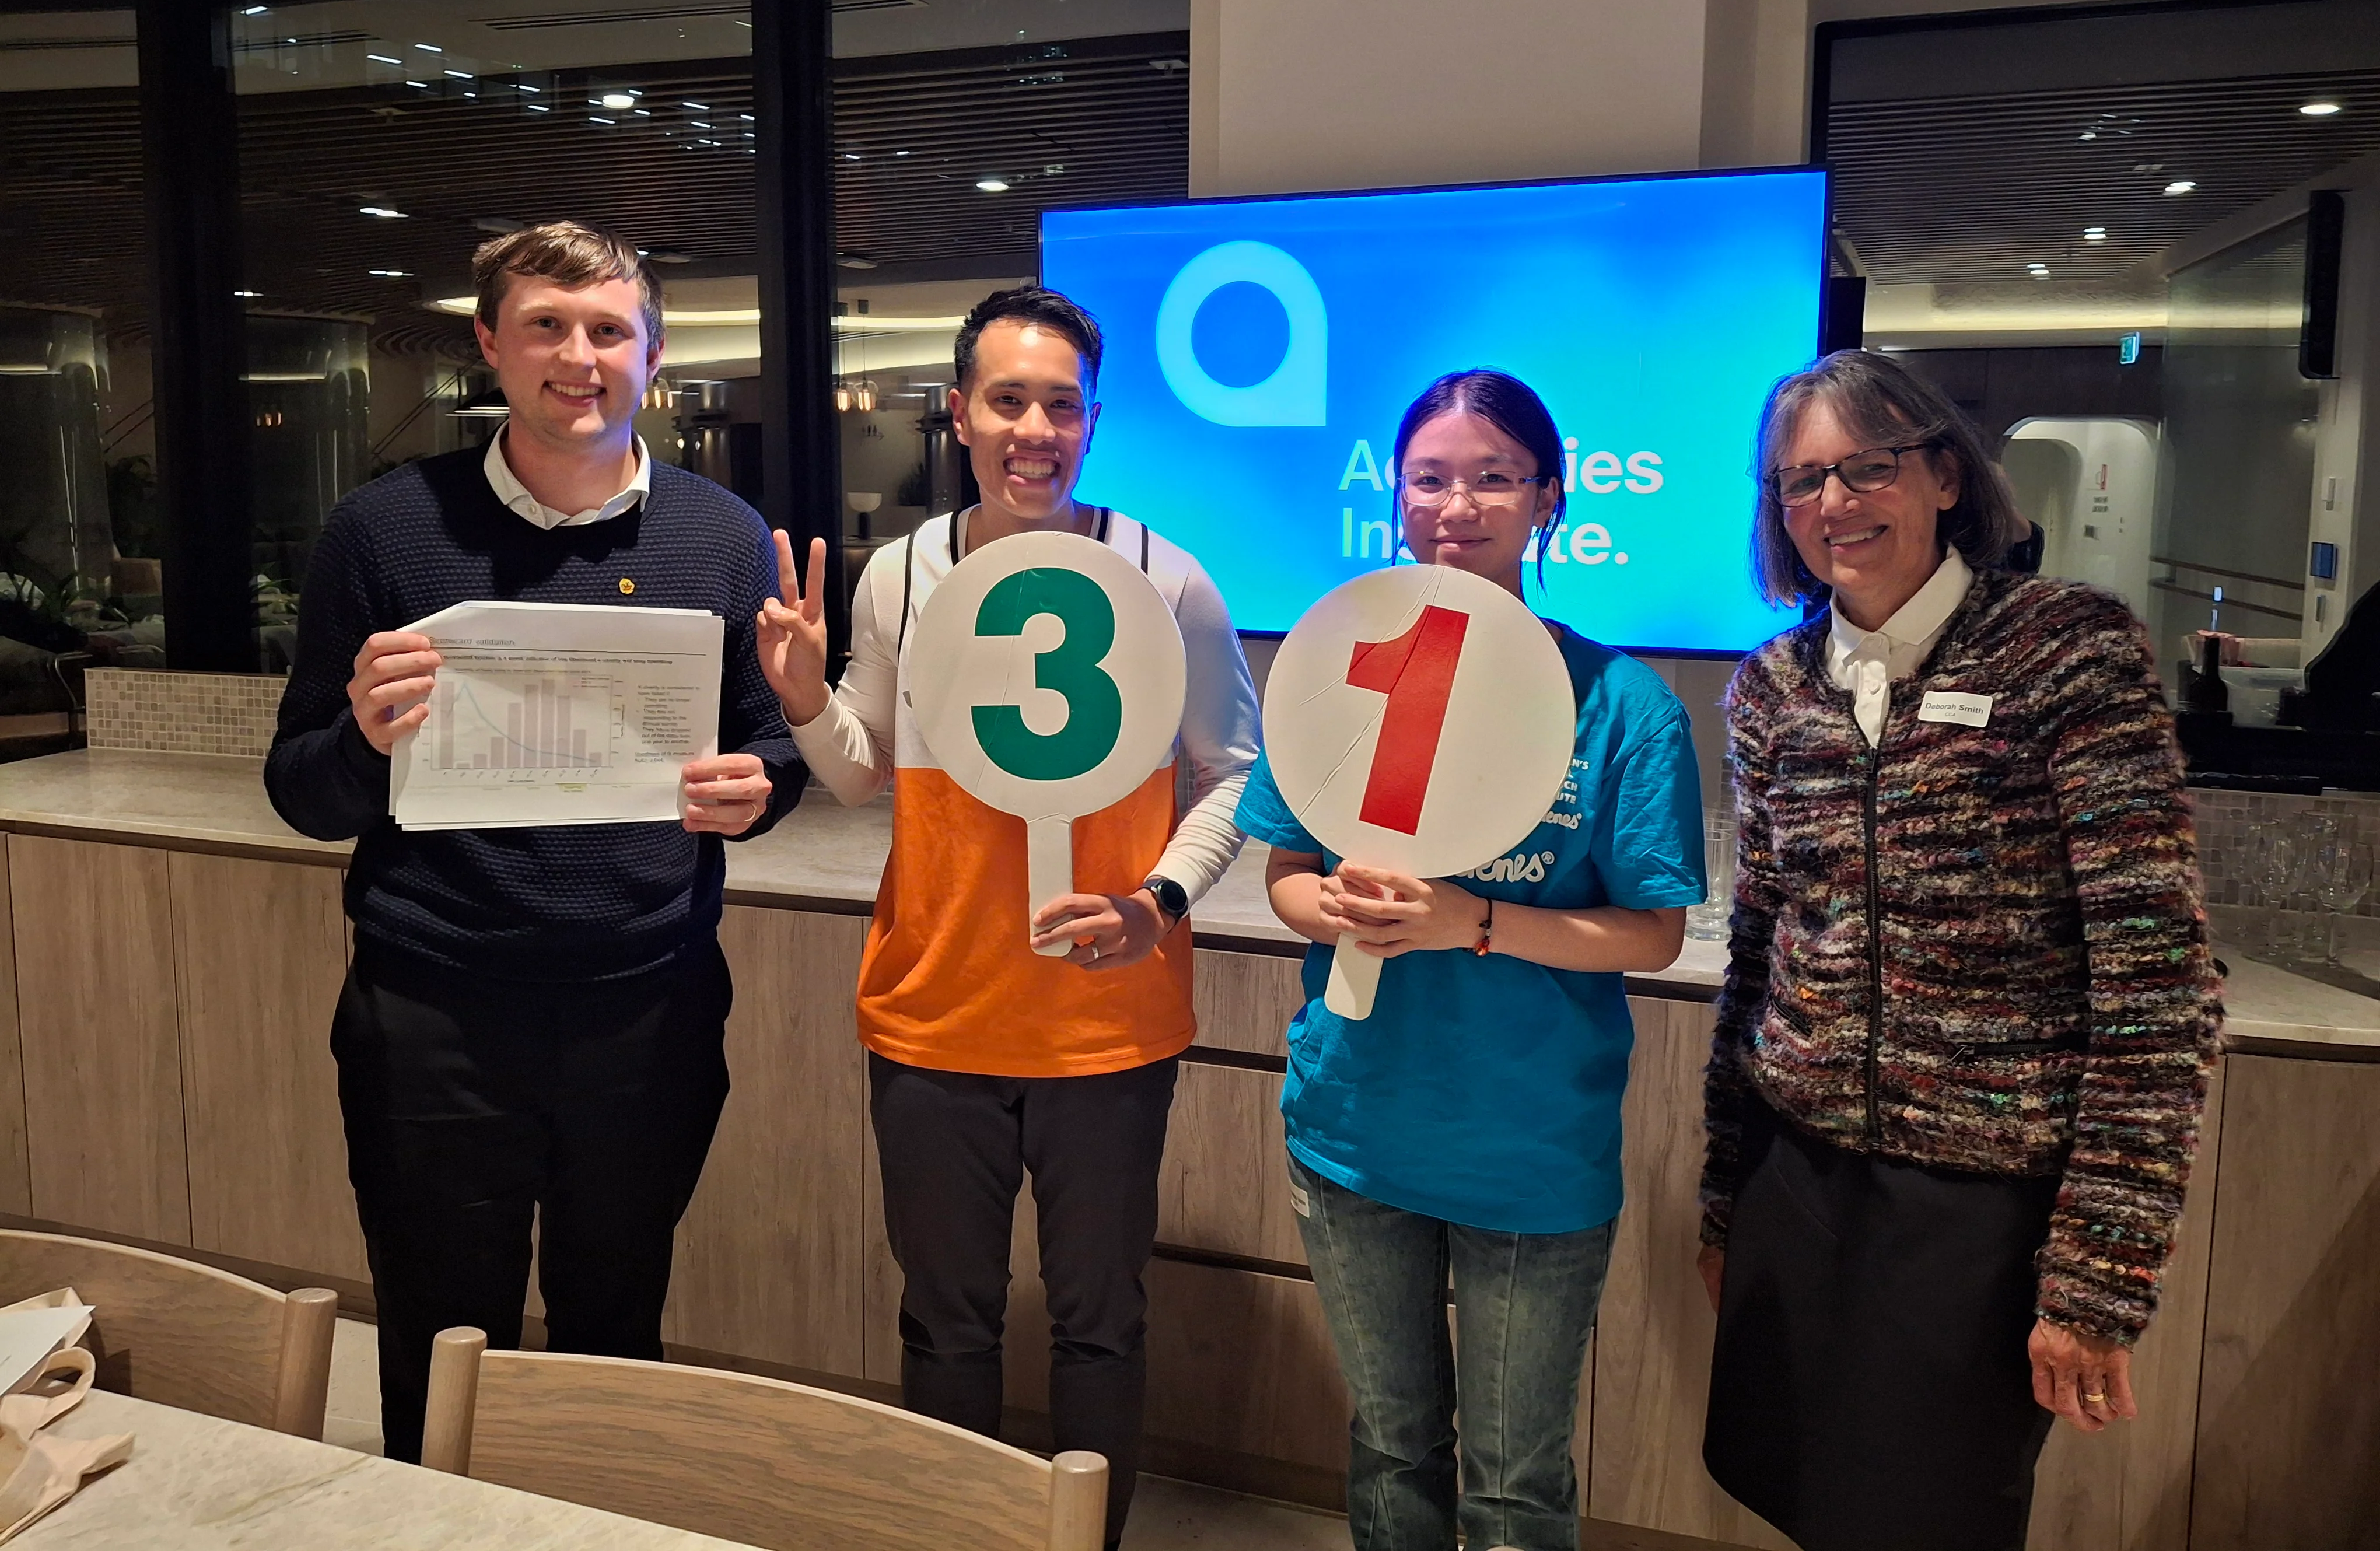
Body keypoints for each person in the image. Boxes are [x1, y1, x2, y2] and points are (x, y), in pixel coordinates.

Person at [265, 222, 803, 1461]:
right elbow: (301, 791)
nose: (580, 356)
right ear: (490, 347)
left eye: (609, 329)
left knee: (618, 1330)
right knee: (442, 1337)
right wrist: (361, 738)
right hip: (435, 1010)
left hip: (649, 1009)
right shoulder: (384, 532)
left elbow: (765, 749)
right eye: (548, 327)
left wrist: (757, 789)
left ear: (653, 353)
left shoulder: (720, 538)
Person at [755, 285, 1258, 1549]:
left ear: (1093, 419)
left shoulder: (1167, 576)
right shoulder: (902, 574)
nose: (1036, 428)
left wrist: (1163, 900)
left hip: (1106, 1024)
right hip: (934, 1013)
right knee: (946, 1325)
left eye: (1062, 405)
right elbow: (863, 771)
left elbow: (1238, 768)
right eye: (1008, 400)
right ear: (958, 412)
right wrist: (811, 700)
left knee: (1101, 1325)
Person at [1699, 349, 2221, 1551]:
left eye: (1865, 469)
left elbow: (2157, 985)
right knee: (1800, 1491)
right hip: (1799, 1172)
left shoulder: (2065, 652)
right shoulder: (1771, 690)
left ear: (1943, 475)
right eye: (1798, 482)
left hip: (1979, 1201)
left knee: (1933, 1514)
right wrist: (1725, 1195)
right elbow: (1762, 952)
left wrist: (2101, 1266)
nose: (1832, 506)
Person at [1233, 369, 1704, 1551]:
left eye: (1494, 478)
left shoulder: (1623, 704)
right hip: (1354, 1127)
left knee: (1513, 1486)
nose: (1458, 506)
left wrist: (1472, 924)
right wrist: (1331, 903)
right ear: (1393, 496)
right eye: (1431, 478)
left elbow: (1653, 932)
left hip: (1532, 1154)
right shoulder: (1340, 657)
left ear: (1549, 498)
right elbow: (1284, 870)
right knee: (1393, 1451)